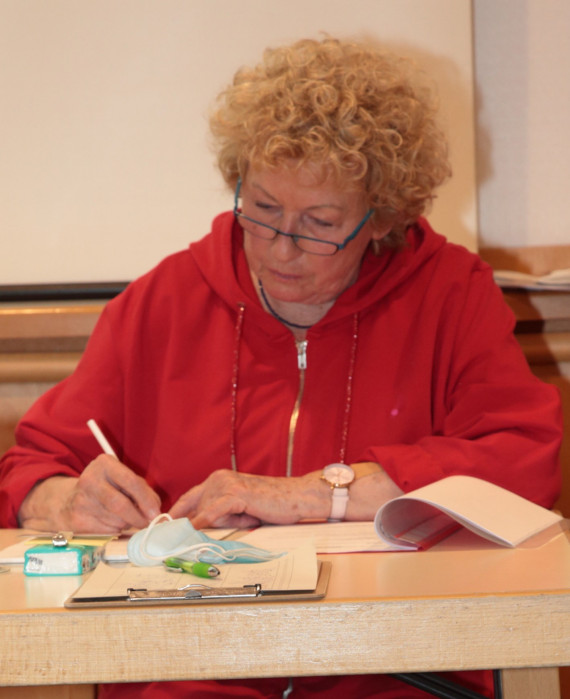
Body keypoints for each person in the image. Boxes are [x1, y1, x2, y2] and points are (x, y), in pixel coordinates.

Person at [0, 36, 562, 699]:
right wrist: (64, 500)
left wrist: (318, 495)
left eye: (319, 223)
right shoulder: (164, 301)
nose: (280, 249)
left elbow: (523, 461)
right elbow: (28, 470)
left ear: (381, 218)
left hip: (397, 666)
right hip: (192, 671)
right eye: (263, 210)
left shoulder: (449, 295)